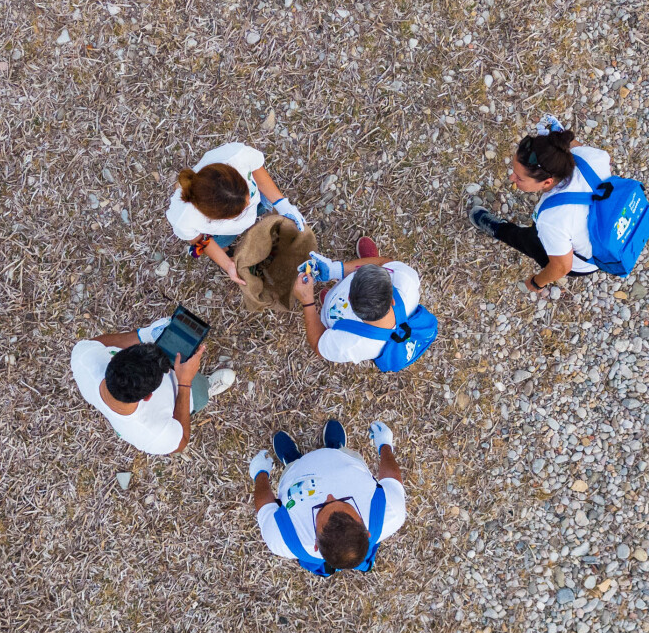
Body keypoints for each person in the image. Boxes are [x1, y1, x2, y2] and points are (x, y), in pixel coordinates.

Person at [468, 115, 612, 296]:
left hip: (582, 263)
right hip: (610, 230)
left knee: (529, 240)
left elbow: (562, 267)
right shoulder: (592, 157)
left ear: (547, 182)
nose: (512, 178)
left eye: (519, 177)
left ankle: (498, 229)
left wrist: (537, 283)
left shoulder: (552, 219)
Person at [249, 419, 405, 576]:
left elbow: (265, 505)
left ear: (315, 544)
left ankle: (292, 460)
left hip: (295, 474)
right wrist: (385, 445)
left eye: (322, 508)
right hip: (343, 459)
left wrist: (260, 473)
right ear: (367, 531)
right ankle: (335, 448)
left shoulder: (282, 539)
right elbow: (391, 478)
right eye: (344, 503)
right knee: (343, 453)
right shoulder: (391, 513)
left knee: (293, 467)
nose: (329, 495)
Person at [69, 318, 235, 454]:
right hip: (184, 393)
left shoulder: (84, 359)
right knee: (200, 394)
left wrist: (143, 335)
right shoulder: (153, 435)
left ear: (113, 359)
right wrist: (185, 383)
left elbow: (96, 344)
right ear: (148, 396)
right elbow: (181, 441)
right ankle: (205, 387)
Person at [166, 142, 306, 286]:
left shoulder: (237, 156)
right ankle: (226, 249)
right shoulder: (184, 219)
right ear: (215, 217)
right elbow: (199, 239)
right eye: (240, 212)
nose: (248, 204)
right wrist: (227, 264)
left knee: (262, 204)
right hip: (221, 232)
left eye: (247, 194)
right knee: (222, 241)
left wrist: (282, 204)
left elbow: (256, 169)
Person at [290, 236, 424, 364]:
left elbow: (318, 343)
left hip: (339, 322)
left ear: (349, 300)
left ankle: (329, 306)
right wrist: (336, 270)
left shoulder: (350, 344)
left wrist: (307, 301)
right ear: (392, 300)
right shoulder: (407, 282)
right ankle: (369, 263)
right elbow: (385, 263)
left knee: (328, 309)